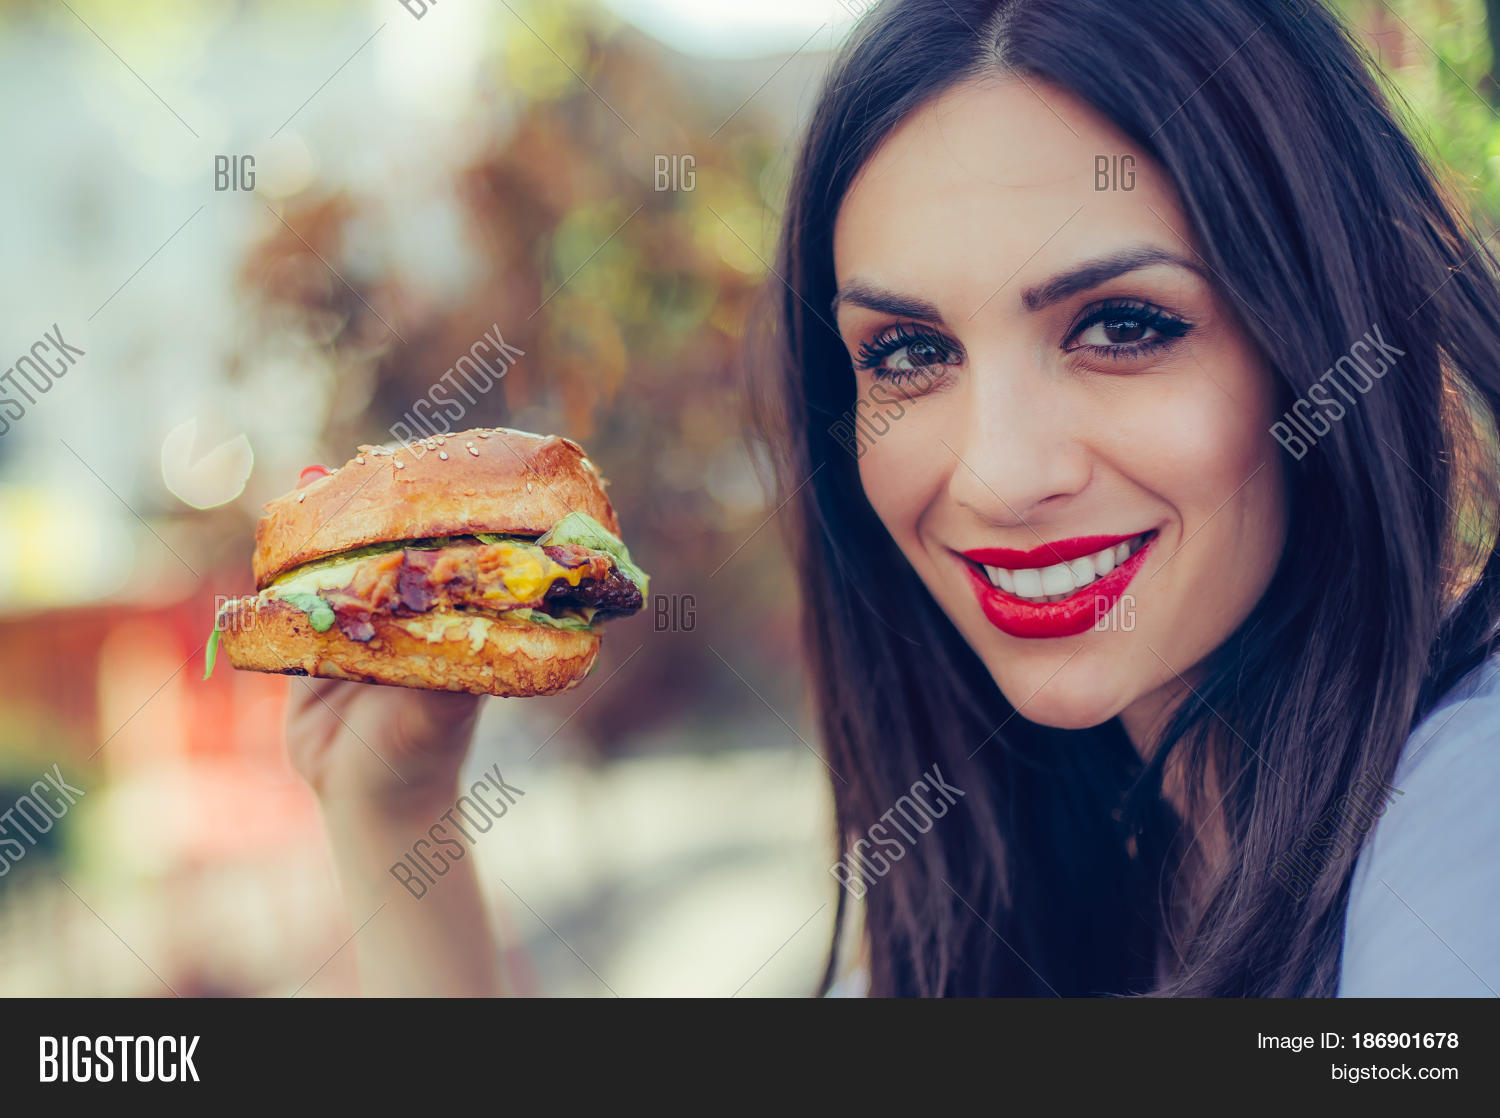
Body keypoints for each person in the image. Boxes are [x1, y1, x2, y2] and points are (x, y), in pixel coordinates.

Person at [288, 0, 1500, 997]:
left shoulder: (1464, 809)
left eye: (1124, 326)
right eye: (910, 353)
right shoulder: (1015, 878)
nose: (997, 474)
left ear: (1325, 332)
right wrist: (393, 814)